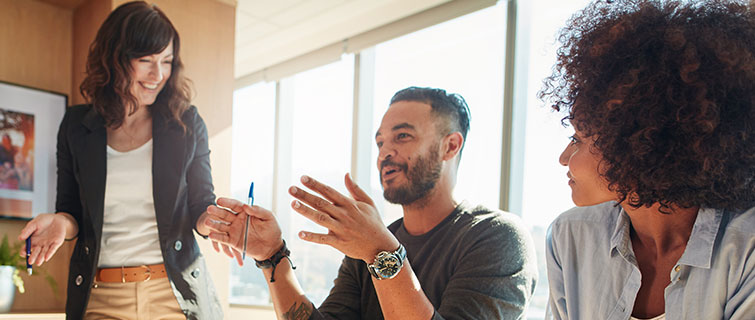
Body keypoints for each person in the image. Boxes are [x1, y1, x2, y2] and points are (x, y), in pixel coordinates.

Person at [205, 86, 538, 319]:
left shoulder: (497, 237)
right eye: (380, 142)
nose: (384, 153)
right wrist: (272, 255)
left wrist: (382, 254)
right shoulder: (368, 245)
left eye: (402, 137)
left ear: (450, 146)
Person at [542, 0, 755, 319]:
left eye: (578, 140)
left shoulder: (746, 247)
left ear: (641, 143)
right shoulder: (570, 236)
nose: (563, 159)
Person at [18, 2, 224, 319]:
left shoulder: (186, 124)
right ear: (115, 59)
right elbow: (71, 211)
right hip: (101, 298)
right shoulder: (76, 125)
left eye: (167, 61)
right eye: (146, 61)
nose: (158, 74)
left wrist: (218, 223)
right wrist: (60, 222)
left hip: (174, 296)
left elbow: (201, 206)